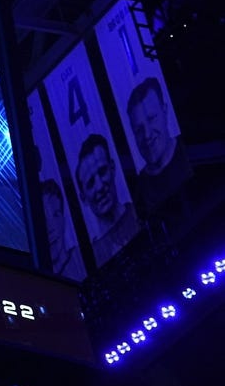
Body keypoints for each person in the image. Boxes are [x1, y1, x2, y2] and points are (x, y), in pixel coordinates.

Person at [125, 76, 190, 211]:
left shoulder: (191, 150)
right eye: (139, 130)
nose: (147, 135)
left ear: (165, 111)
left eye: (151, 119)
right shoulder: (139, 195)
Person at [74, 133, 139, 264]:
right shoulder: (93, 256)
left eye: (102, 171)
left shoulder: (140, 212)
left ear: (113, 168)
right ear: (83, 198)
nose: (99, 187)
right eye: (91, 182)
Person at [40, 180, 86, 280]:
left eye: (56, 215)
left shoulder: (84, 258)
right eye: (42, 220)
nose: (50, 227)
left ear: (63, 219)